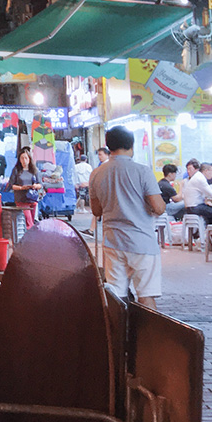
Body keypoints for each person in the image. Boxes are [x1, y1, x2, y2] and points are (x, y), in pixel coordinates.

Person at [89, 126, 165, 308]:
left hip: (113, 242)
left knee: (116, 297)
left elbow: (96, 211)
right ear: (132, 145)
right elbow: (159, 207)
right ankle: (147, 336)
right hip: (142, 242)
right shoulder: (142, 171)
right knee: (146, 296)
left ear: (108, 146)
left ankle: (117, 335)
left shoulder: (97, 174)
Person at [8, 147, 43, 228]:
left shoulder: (34, 170)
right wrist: (21, 188)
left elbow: (40, 184)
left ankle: (30, 236)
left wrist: (35, 186)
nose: (24, 160)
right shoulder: (16, 170)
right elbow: (11, 185)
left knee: (32, 220)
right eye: (22, 158)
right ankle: (30, 237)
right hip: (21, 200)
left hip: (33, 199)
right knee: (28, 221)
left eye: (26, 158)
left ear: (29, 159)